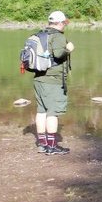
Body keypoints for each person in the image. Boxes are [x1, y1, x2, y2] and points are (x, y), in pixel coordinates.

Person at [33, 10, 75, 155]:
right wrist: (68, 49)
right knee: (53, 112)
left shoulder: (41, 34)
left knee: (41, 110)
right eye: (64, 23)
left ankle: (42, 144)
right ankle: (51, 147)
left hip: (39, 78)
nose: (65, 25)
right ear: (59, 22)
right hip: (53, 80)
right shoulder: (57, 36)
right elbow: (58, 54)